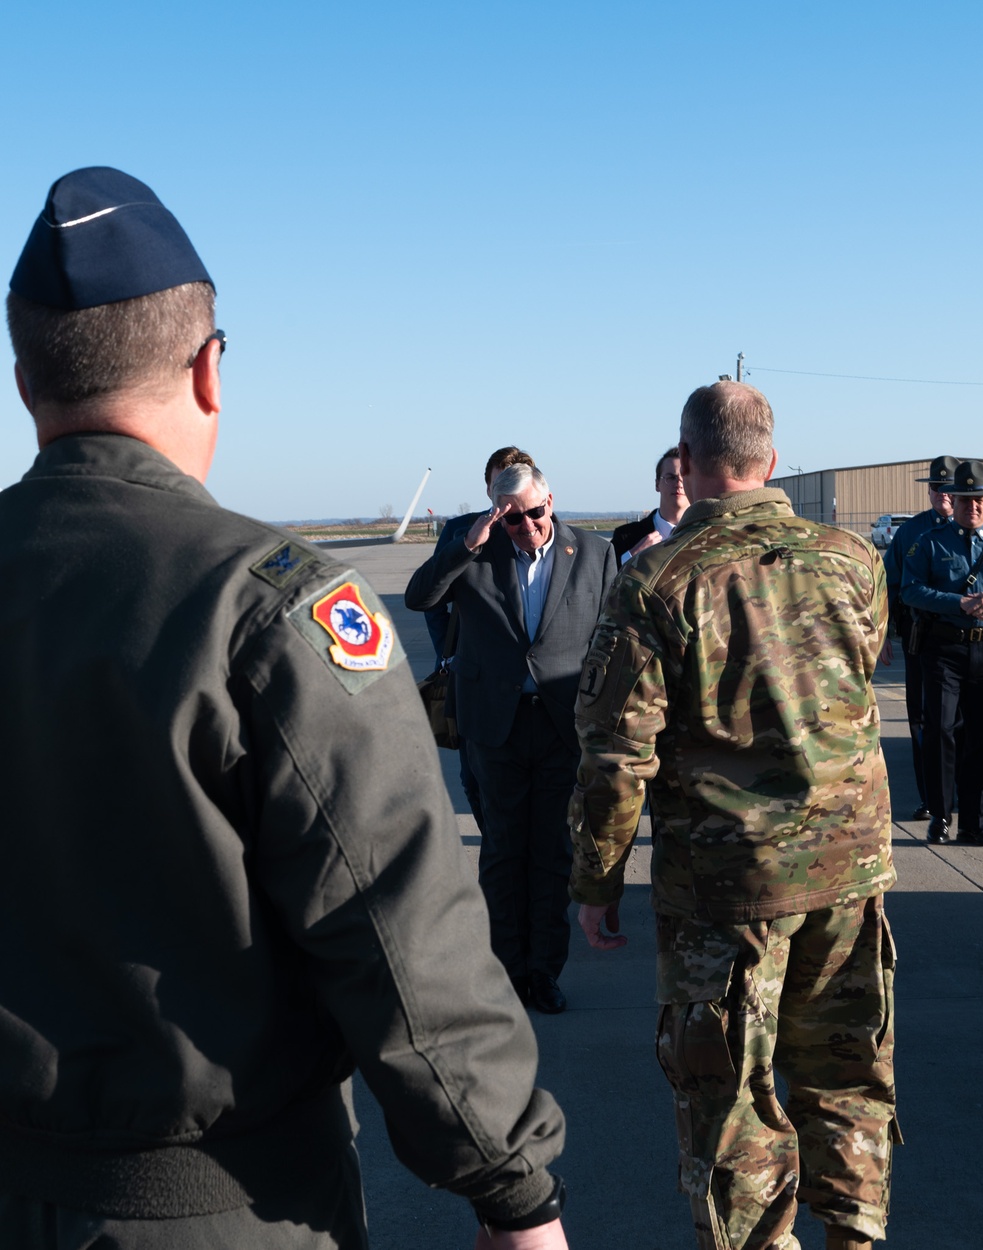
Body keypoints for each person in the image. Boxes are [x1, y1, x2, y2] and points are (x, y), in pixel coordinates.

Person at [0, 166, 569, 1250]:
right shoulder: (265, 603)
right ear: (212, 368)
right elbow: (397, 922)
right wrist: (513, 1186)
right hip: (215, 1206)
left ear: (25, 377)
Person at [569, 381, 898, 1250]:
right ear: (772, 461)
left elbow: (615, 757)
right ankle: (855, 1238)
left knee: (730, 1096)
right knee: (848, 1073)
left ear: (686, 462)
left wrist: (596, 881)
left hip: (730, 888)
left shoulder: (658, 581)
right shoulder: (853, 559)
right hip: (850, 870)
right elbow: (856, 676)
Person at [406, 463, 616, 1013]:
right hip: (495, 724)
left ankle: (544, 972)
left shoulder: (593, 554)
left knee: (551, 852)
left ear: (551, 497)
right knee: (502, 853)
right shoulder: (476, 550)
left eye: (535, 512)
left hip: (560, 723)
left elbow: (616, 635)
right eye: (513, 518)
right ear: (498, 513)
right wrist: (466, 547)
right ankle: (503, 974)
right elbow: (420, 599)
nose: (527, 526)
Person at [424, 446, 536, 831]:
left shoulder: (539, 528)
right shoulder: (461, 530)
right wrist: (448, 654)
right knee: (473, 778)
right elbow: (431, 601)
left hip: (532, 687)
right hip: (472, 675)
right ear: (488, 488)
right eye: (497, 483)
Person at [901, 459, 983, 847]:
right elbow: (911, 590)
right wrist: (958, 603)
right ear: (953, 501)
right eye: (964, 500)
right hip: (944, 651)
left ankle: (975, 823)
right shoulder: (928, 542)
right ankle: (940, 816)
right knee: (940, 731)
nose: (971, 507)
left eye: (979, 500)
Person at [881, 455, 957, 820]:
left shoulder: (982, 532)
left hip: (970, 645)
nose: (941, 494)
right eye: (935, 487)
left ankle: (962, 794)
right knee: (923, 722)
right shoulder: (911, 533)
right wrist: (882, 634)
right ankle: (931, 796)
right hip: (921, 641)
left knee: (968, 726)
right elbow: (887, 587)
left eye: (947, 487)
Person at [611, 446, 690, 564]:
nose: (679, 484)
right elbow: (604, 578)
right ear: (657, 484)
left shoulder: (707, 533)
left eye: (684, 477)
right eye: (671, 478)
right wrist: (632, 556)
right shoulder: (625, 536)